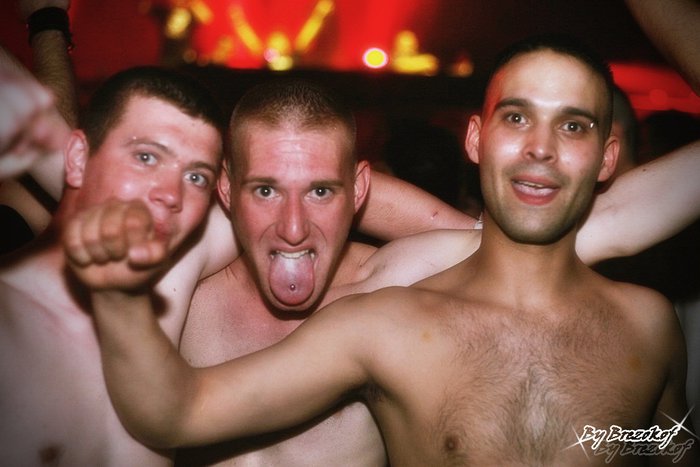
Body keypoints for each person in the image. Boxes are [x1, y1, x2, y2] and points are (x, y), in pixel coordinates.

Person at [69, 33, 699, 466]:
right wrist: (121, 292)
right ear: (476, 139)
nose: (541, 146)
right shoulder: (379, 323)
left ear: (606, 157)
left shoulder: (648, 326)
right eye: (516, 118)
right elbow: (176, 412)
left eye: (572, 125)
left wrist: (613, 442)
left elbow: (665, 447)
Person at [0, 65, 228, 466]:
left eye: (196, 177)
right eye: (146, 157)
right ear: (77, 159)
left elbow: (301, 194)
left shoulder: (177, 272)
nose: (171, 194)